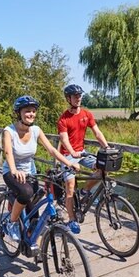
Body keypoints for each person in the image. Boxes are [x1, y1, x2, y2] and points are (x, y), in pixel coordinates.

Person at [2, 95, 80, 242]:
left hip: (30, 173)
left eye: (33, 111)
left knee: (34, 213)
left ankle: (30, 243)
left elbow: (52, 150)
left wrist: (69, 163)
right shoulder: (9, 131)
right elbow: (8, 152)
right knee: (26, 193)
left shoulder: (36, 130)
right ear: (19, 113)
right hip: (12, 171)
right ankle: (11, 223)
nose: (31, 114)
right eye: (27, 111)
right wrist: (14, 170)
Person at [57, 84, 110, 234]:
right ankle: (72, 220)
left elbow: (97, 133)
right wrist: (72, 153)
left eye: (80, 95)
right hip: (68, 155)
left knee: (102, 168)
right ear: (68, 99)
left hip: (82, 153)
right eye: (75, 96)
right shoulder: (63, 119)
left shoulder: (87, 114)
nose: (78, 98)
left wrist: (107, 147)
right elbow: (64, 139)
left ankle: (85, 191)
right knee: (70, 188)